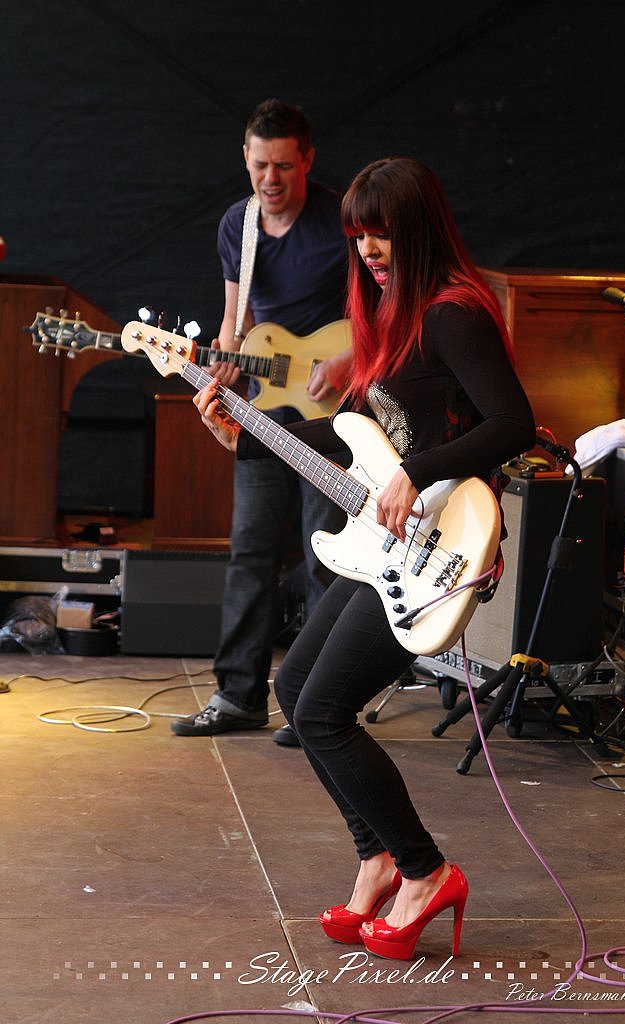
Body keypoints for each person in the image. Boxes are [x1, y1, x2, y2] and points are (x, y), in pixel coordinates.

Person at [190, 157, 536, 959]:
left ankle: (423, 871)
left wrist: (418, 472)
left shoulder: (453, 313)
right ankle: (377, 857)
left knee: (320, 710)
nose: (368, 251)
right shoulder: (387, 315)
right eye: (357, 237)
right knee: (293, 689)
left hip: (440, 543)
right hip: (390, 543)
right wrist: (242, 433)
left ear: (418, 230)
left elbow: (513, 423)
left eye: (381, 235)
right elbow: (350, 434)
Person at [172, 99, 351, 744]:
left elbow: (387, 310)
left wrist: (347, 360)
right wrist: (220, 367)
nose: (270, 179)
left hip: (332, 413)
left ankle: (318, 704)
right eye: (259, 166)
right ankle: (237, 697)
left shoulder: (342, 220)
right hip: (263, 410)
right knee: (249, 551)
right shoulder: (237, 225)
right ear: (245, 160)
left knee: (325, 556)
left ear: (307, 160)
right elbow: (234, 321)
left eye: (283, 166)